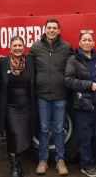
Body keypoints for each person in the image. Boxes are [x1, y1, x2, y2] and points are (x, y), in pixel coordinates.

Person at [29, 18, 73, 175]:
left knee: (59, 129)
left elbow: (74, 67)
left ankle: (60, 161)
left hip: (60, 95)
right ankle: (43, 161)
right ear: (45, 29)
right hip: (42, 96)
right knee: (44, 129)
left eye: (55, 28)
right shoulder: (36, 47)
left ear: (59, 30)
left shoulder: (67, 48)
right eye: (49, 28)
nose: (52, 30)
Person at [64, 30, 96, 177]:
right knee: (86, 137)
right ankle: (86, 165)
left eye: (90, 40)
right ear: (80, 43)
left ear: (94, 43)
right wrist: (89, 85)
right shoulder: (73, 60)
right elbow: (68, 80)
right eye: (84, 40)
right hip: (83, 104)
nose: (87, 42)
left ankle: (94, 162)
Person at [0, 36, 36, 177]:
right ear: (10, 47)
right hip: (10, 106)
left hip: (26, 106)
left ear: (24, 47)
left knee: (24, 135)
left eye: (20, 45)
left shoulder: (30, 61)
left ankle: (19, 164)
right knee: (14, 135)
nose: (17, 48)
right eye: (15, 46)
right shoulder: (2, 62)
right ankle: (14, 166)